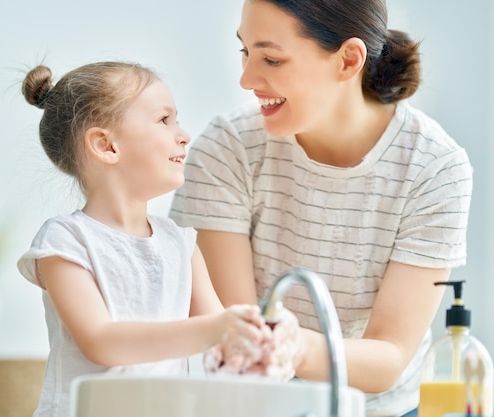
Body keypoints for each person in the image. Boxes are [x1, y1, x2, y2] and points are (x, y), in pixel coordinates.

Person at [169, 1, 474, 416]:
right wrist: (273, 349)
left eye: (271, 58)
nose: (246, 79)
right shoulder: (228, 148)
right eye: (245, 52)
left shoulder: (434, 167)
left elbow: (389, 355)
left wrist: (297, 349)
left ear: (348, 60)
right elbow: (236, 333)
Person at [17, 61, 294, 417]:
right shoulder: (66, 241)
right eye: (164, 120)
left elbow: (220, 348)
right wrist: (218, 328)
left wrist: (259, 344)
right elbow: (101, 342)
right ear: (106, 145)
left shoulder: (181, 244)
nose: (183, 134)